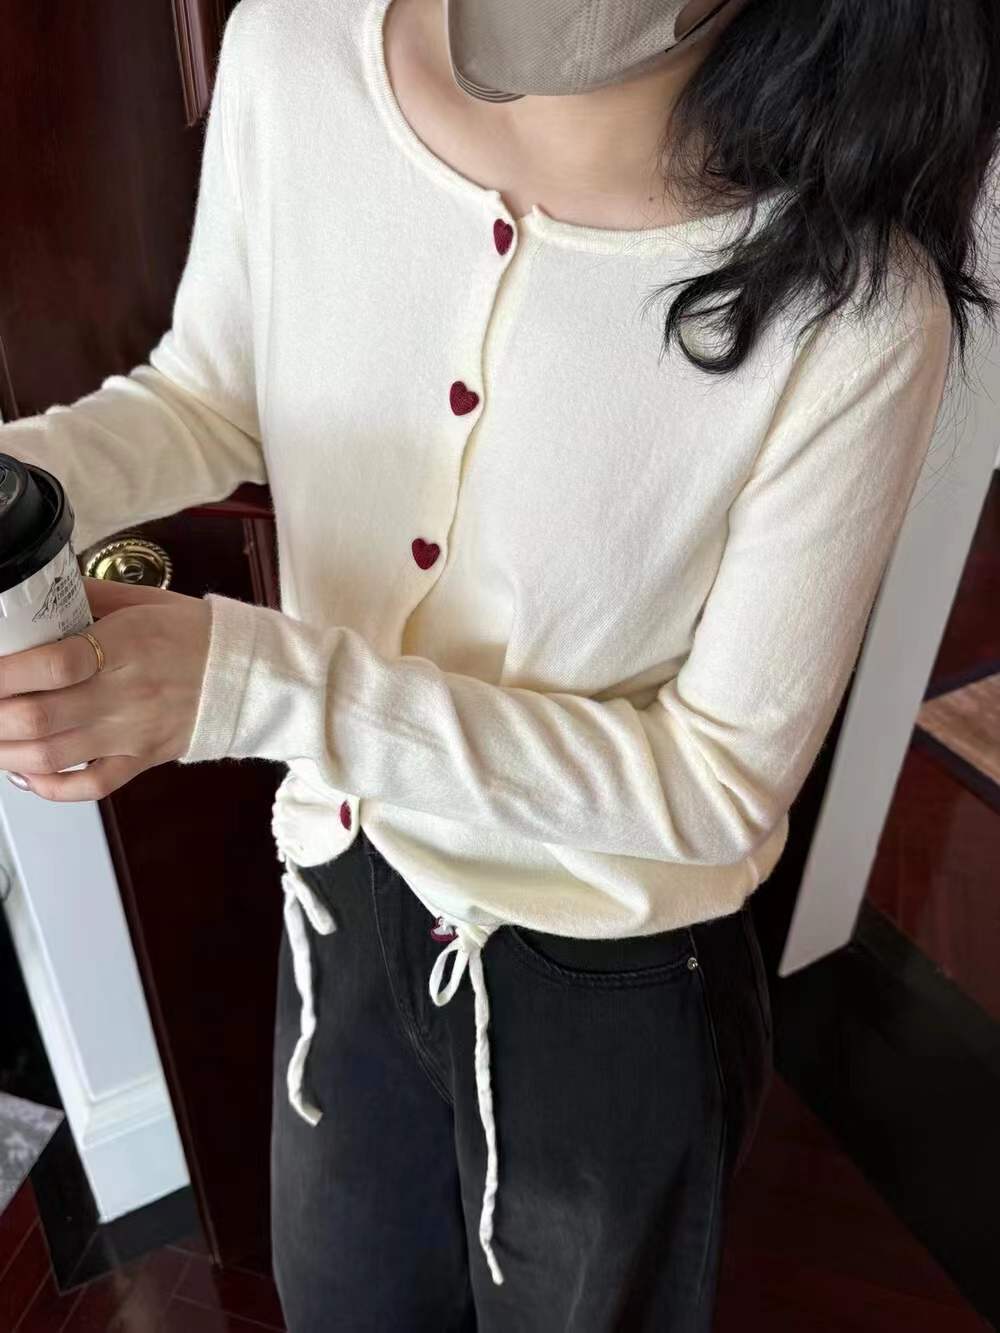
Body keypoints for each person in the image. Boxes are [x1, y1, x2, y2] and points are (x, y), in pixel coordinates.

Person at [1, 0, 997, 1327]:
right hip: (345, 883)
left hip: (608, 972)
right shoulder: (297, 50)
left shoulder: (855, 308)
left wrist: (251, 685)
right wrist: (19, 485)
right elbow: (211, 392)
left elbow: (714, 785)